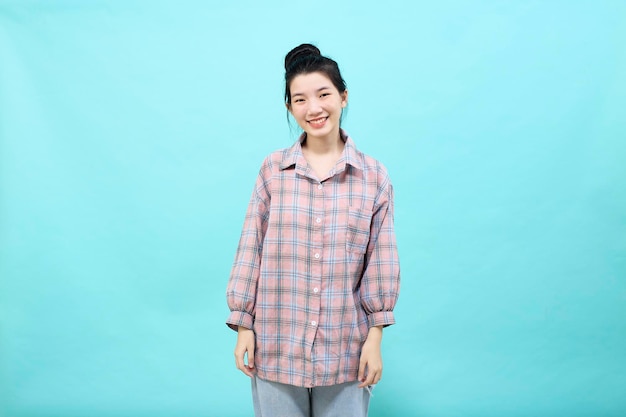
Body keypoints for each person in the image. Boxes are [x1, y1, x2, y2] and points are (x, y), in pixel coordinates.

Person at [226, 43, 400, 417]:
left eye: (323, 94)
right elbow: (249, 249)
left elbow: (380, 262)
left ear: (343, 97)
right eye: (300, 99)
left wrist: (375, 338)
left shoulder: (374, 177)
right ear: (290, 107)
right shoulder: (272, 170)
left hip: (345, 351)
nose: (314, 108)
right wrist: (243, 326)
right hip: (276, 345)